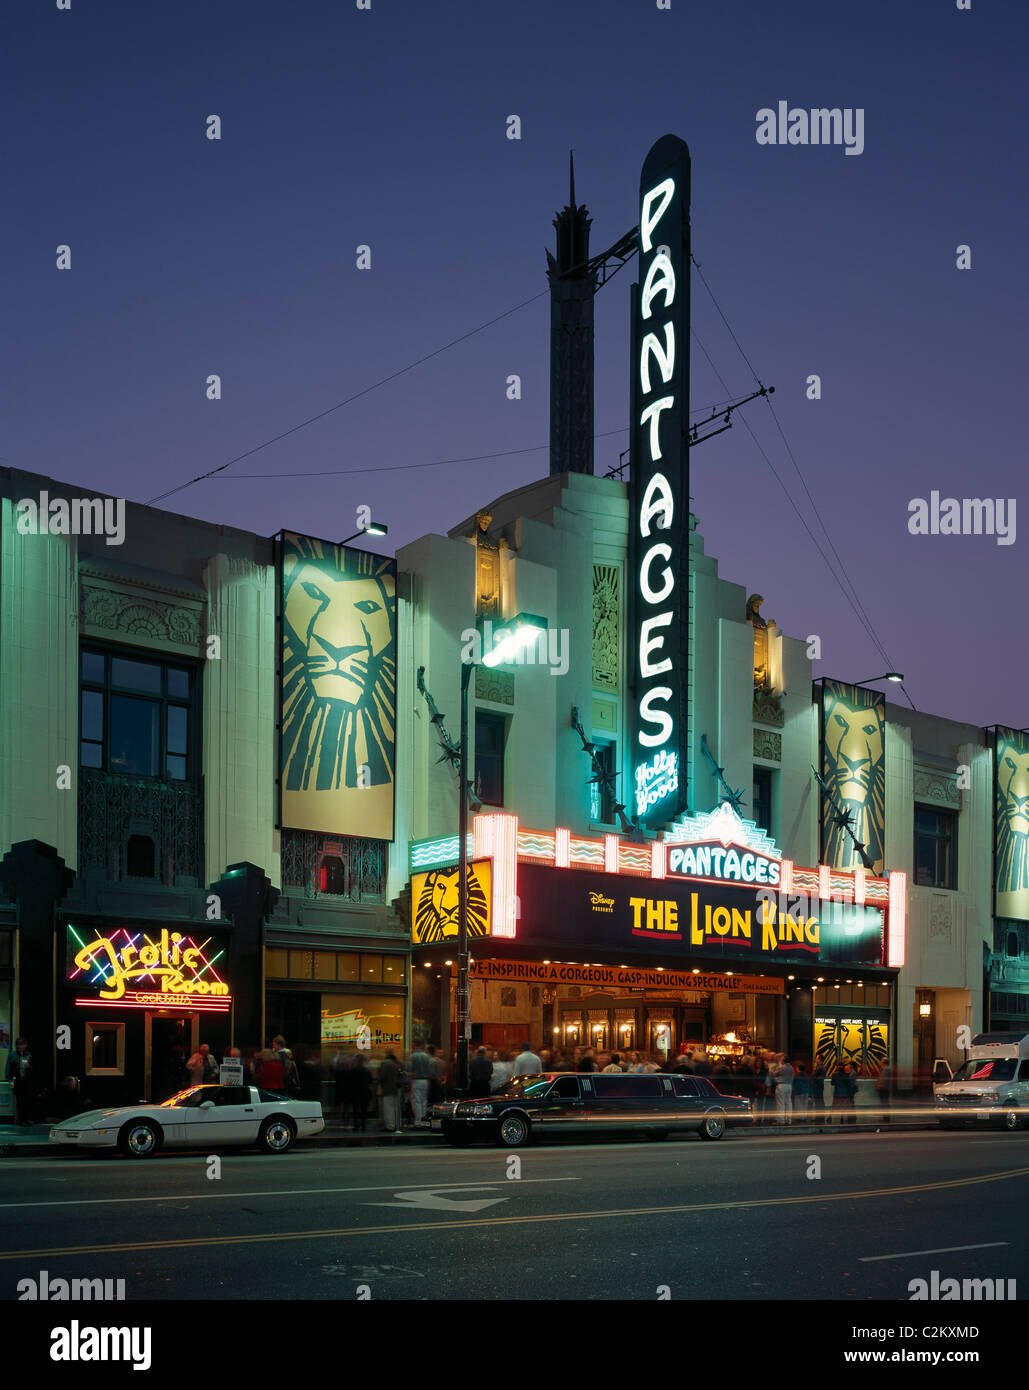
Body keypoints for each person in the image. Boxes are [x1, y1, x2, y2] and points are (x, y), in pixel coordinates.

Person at [378, 1050, 402, 1132]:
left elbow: (383, 1076)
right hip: (397, 1089)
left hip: (388, 1089)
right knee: (396, 1108)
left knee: (388, 1108)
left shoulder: (385, 1064)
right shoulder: (398, 1064)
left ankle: (390, 1126)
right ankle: (397, 1124)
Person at [408, 1044, 432, 1125]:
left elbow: (410, 1071)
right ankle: (424, 1119)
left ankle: (418, 1121)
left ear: (415, 1045)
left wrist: (409, 1082)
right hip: (425, 1081)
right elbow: (429, 1070)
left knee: (416, 1101)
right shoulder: (427, 1057)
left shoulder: (412, 1056)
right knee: (424, 1101)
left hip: (416, 1080)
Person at [350, 1055, 372, 1132]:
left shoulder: (353, 1070)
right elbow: (370, 1081)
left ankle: (356, 1126)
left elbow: (350, 1082)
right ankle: (363, 1126)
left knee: (356, 1110)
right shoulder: (367, 1070)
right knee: (364, 1110)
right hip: (365, 1092)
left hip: (355, 1092)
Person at [774, 1055, 795, 1125]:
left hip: (781, 1085)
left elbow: (774, 1074)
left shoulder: (782, 1067)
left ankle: (781, 1120)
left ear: (784, 1061)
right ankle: (789, 1120)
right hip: (789, 1086)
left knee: (780, 1103)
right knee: (788, 1102)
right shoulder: (791, 1068)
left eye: (781, 1059)